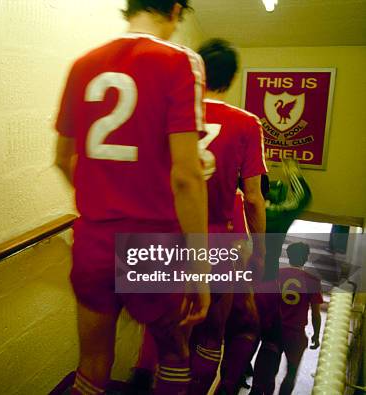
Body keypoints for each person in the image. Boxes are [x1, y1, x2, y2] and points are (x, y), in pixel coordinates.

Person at [54, 1, 210, 394]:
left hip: (93, 239)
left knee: (90, 365)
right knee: (173, 352)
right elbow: (187, 177)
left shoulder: (83, 63)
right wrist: (200, 269)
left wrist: (107, 196)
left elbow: (60, 158)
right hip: (151, 239)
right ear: (175, 9)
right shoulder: (181, 61)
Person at [127, 39, 267, 395]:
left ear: (197, 71)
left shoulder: (164, 114)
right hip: (220, 239)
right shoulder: (247, 123)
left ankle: (144, 378)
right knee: (211, 331)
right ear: (232, 78)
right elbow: (252, 198)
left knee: (165, 328)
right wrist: (261, 251)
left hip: (164, 238)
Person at [249, 159, 312, 395]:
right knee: (271, 342)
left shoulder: (239, 206)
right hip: (265, 287)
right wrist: (293, 170)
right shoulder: (276, 214)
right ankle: (260, 389)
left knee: (232, 340)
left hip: (235, 284)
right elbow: (303, 197)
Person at [277, 242, 322, 395]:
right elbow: (316, 314)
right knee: (290, 374)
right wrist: (316, 335)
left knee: (265, 374)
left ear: (288, 256)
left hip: (274, 331)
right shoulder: (312, 281)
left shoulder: (276, 275)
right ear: (306, 258)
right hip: (295, 334)